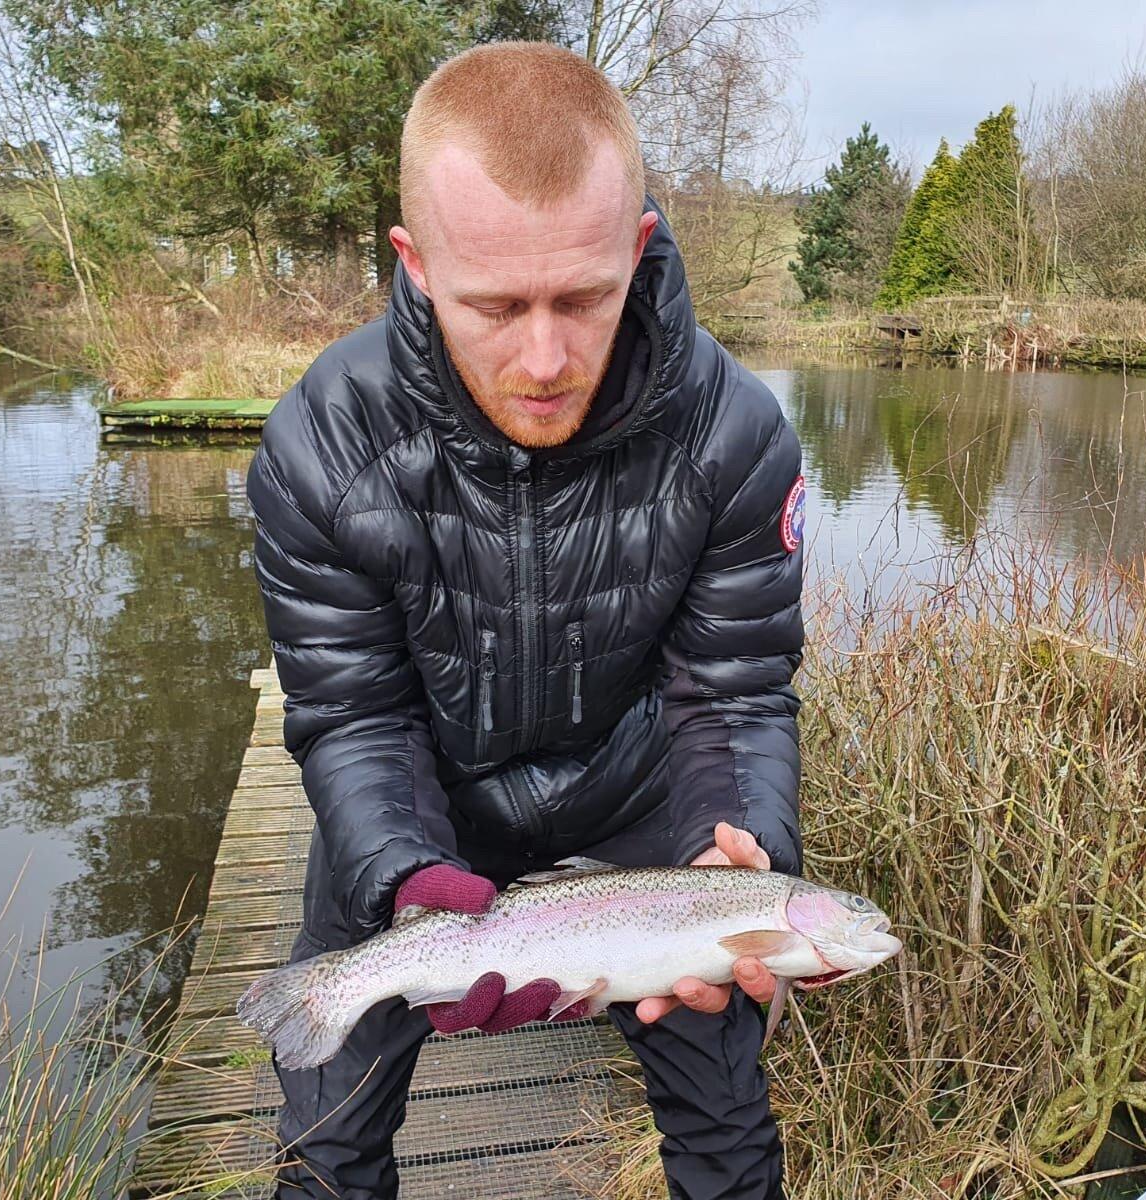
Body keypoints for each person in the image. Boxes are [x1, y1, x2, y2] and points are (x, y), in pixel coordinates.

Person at [245, 39, 806, 1200]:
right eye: (494, 305)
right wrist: (403, 873)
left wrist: (735, 843)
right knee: (330, 1145)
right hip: (424, 792)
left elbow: (734, 691)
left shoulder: (738, 435)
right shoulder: (320, 444)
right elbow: (352, 712)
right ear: (413, 264)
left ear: (637, 245)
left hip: (640, 790)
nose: (544, 358)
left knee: (728, 1134)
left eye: (585, 298)